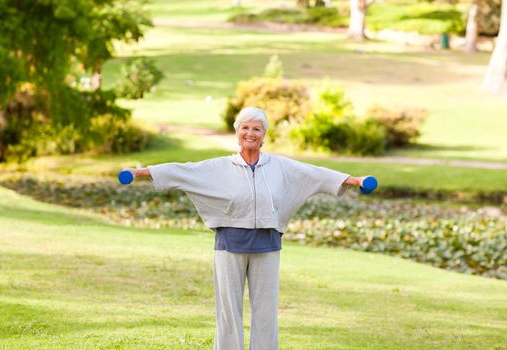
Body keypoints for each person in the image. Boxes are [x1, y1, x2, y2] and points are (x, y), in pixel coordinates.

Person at [123, 106, 369, 350]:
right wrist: (139, 172)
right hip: (230, 245)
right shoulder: (219, 167)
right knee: (228, 312)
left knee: (266, 313)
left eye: (256, 129)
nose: (250, 133)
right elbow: (183, 171)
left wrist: (355, 180)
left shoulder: (280, 167)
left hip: (268, 246)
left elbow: (315, 174)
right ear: (237, 131)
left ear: (264, 134)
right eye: (245, 128)